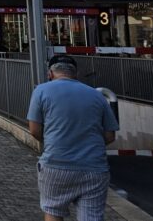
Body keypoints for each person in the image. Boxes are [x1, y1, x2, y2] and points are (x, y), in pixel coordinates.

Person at [27, 55, 119, 221]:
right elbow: (110, 135)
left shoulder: (41, 90)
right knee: (91, 217)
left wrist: (53, 142)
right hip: (94, 168)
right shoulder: (97, 95)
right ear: (76, 74)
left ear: (50, 73)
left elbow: (34, 130)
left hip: (56, 164)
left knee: (53, 211)